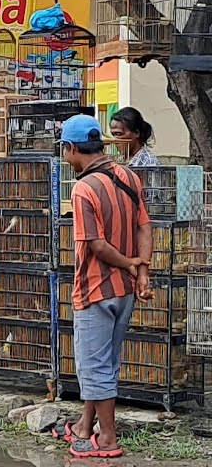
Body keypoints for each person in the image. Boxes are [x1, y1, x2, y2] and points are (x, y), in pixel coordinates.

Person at [54, 114, 153, 459]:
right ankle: (85, 425)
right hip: (125, 291)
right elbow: (144, 226)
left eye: (63, 149)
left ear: (71, 148)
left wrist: (128, 263)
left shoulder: (83, 189)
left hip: (95, 289)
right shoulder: (129, 176)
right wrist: (141, 270)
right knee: (105, 361)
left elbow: (95, 244)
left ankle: (107, 438)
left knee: (93, 365)